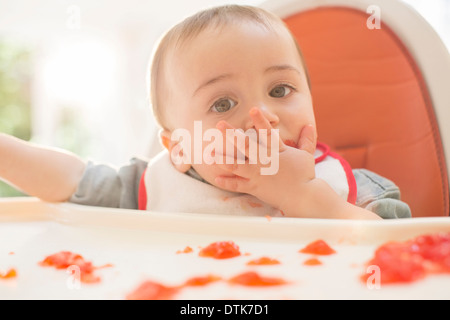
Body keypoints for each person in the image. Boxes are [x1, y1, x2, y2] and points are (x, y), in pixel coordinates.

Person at [0, 5, 411, 220]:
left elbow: (400, 257)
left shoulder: (360, 192)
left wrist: (306, 198)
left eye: (280, 89)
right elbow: (73, 181)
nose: (261, 116)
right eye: (223, 104)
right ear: (179, 148)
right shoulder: (155, 188)